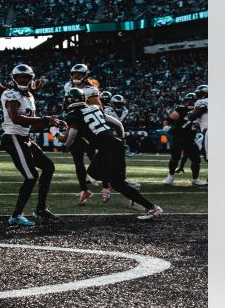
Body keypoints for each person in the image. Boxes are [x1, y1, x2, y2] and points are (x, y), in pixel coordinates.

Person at [59, 88, 164, 220]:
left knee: (117, 184)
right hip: (110, 146)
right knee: (93, 173)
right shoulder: (95, 109)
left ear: (69, 100)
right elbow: (118, 124)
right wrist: (122, 141)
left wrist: (56, 133)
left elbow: (68, 141)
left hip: (109, 148)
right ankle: (129, 186)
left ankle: (153, 208)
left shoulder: (72, 115)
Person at [0, 64, 58, 227]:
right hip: (13, 137)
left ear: (31, 79)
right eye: (19, 78)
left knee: (48, 166)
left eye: (26, 77)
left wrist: (51, 123)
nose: (23, 80)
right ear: (14, 79)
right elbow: (16, 118)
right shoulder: (10, 94)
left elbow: (33, 125)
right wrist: (44, 119)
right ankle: (16, 216)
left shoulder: (29, 96)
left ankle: (40, 208)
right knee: (31, 176)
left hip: (24, 138)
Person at [62, 63, 102, 205]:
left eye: (79, 73)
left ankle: (106, 186)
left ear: (85, 75)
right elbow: (67, 104)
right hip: (74, 124)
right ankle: (84, 190)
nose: (76, 76)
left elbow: (99, 109)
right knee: (77, 160)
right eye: (74, 73)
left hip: (86, 127)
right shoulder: (68, 86)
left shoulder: (90, 89)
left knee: (94, 156)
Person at [164, 93, 206, 187]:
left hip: (191, 139)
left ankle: (195, 179)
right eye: (189, 100)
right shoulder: (181, 109)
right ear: (185, 101)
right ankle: (170, 175)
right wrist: (166, 126)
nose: (190, 102)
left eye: (193, 100)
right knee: (175, 158)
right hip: (178, 138)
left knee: (196, 159)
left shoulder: (201, 110)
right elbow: (167, 120)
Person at [187, 84, 209, 162]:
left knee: (208, 157)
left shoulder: (202, 101)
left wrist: (189, 115)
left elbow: (193, 116)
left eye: (199, 92)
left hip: (208, 131)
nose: (197, 94)